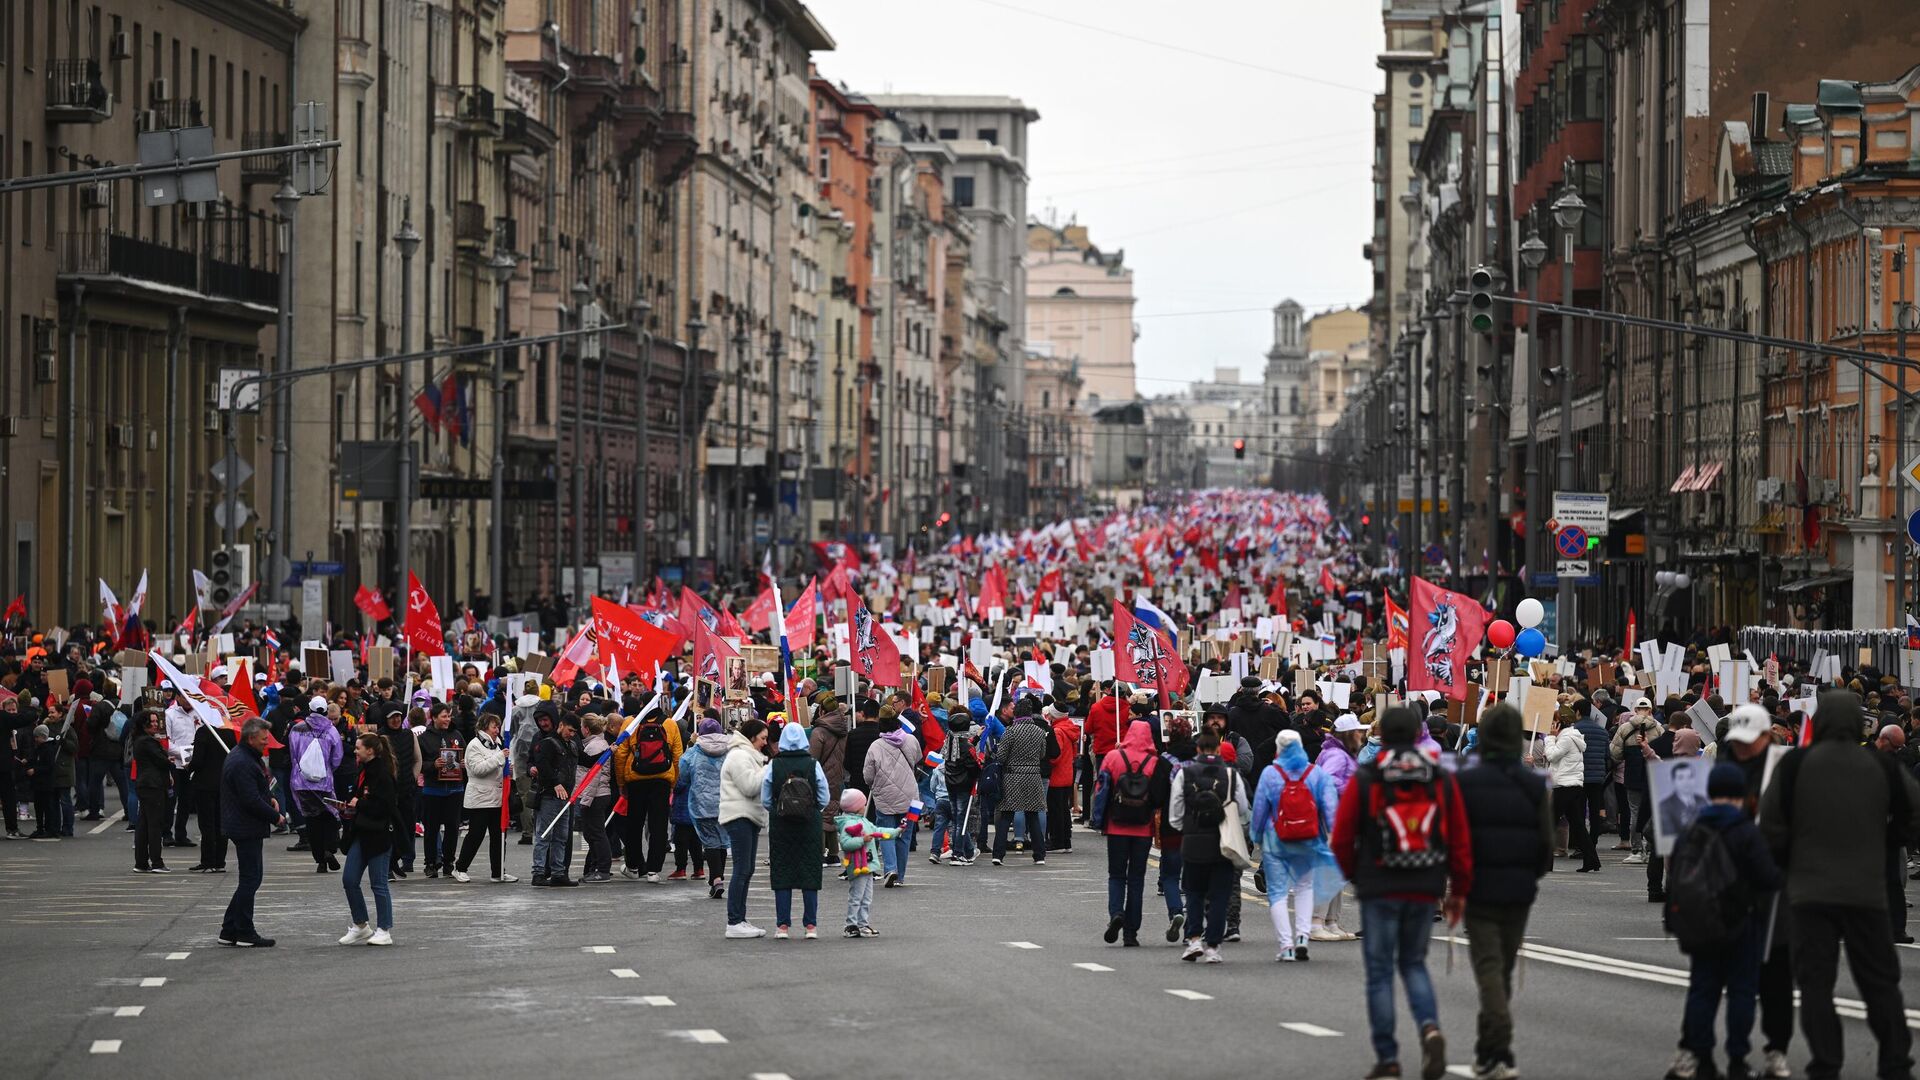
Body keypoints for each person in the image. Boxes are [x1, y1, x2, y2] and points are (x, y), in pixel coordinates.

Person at [1760, 689, 1920, 1080]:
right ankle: (1895, 1062)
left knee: (1816, 983)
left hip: (1809, 892)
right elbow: (1913, 817)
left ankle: (1826, 1062)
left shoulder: (1796, 765)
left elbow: (1770, 827)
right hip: (1868, 891)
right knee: (1880, 981)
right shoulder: (1880, 766)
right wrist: (1885, 841)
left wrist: (1792, 860)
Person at [1332, 705, 1473, 1080]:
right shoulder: (1440, 776)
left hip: (1378, 883)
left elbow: (1343, 837)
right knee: (1413, 963)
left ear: (1381, 735)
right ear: (1417, 734)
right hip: (1425, 883)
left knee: (1379, 972)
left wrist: (1356, 877)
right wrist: (1457, 890)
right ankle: (1429, 1027)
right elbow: (1459, 836)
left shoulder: (1367, 776)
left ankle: (1388, 1058)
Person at [1665, 763, 1782, 1080]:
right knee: (1742, 993)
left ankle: (1701, 1060)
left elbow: (1673, 880)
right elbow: (1768, 878)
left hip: (1700, 924)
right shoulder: (1746, 831)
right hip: (1740, 924)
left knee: (1702, 990)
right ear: (1741, 795)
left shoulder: (1690, 829)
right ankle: (1737, 1061)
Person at [1454, 703, 1552, 1080]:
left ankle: (1499, 1047)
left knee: (1489, 968)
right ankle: (1490, 1049)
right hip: (1519, 887)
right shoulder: (1533, 783)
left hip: (1478, 886)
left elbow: (1455, 837)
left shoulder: (1465, 781)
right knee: (1504, 967)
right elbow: (1545, 840)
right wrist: (1534, 873)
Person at [1251, 728, 1341, 963]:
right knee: (1304, 887)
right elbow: (1330, 806)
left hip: (1276, 839)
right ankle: (1302, 936)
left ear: (1278, 748)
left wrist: (1256, 836)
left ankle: (1286, 946)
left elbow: (1260, 808)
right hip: (1308, 837)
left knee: (1278, 893)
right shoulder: (1315, 773)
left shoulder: (1271, 773)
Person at [1169, 726, 1249, 963]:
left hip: (1193, 841)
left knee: (1194, 893)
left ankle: (1194, 939)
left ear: (1198, 749)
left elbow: (1175, 810)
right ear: (1219, 749)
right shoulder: (1231, 775)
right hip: (1222, 841)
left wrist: (1185, 828)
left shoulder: (1185, 773)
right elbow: (1243, 807)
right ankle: (1213, 946)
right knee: (1219, 895)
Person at [219, 718, 286, 947]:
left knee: (251, 879)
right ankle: (244, 931)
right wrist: (275, 816)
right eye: (263, 739)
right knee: (250, 879)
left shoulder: (247, 757)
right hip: (244, 826)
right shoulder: (242, 761)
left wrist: (272, 799)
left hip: (246, 824)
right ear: (251, 738)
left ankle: (229, 930)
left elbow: (258, 790)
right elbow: (250, 800)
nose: (266, 743)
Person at [761, 720, 830, 939]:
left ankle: (782, 926)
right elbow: (824, 796)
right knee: (810, 872)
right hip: (809, 824)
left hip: (781, 824)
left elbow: (765, 797)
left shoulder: (774, 764)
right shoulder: (812, 763)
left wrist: (776, 810)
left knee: (782, 872)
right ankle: (811, 926)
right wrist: (814, 810)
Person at [338, 732, 399, 947]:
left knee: (379, 884)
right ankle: (361, 925)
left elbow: (385, 807)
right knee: (349, 880)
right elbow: (358, 798)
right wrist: (347, 806)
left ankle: (384, 929)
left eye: (358, 748)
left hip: (379, 835)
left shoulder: (383, 774)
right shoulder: (363, 771)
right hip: (361, 833)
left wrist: (359, 804)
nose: (355, 751)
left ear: (370, 750)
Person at [615, 694, 681, 881]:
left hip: (636, 779)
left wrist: (621, 783)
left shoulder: (630, 722)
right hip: (661, 779)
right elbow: (677, 756)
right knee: (658, 825)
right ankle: (654, 870)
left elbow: (620, 755)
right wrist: (673, 783)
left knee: (634, 825)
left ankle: (634, 866)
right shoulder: (670, 724)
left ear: (642, 704)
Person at [719, 717, 771, 938]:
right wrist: (768, 770)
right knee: (742, 869)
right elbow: (749, 786)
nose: (764, 743)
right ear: (751, 737)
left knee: (746, 869)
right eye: (762, 738)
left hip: (747, 815)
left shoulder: (747, 755)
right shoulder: (739, 756)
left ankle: (739, 918)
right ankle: (734, 921)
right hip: (739, 816)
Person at [452, 714, 515, 883]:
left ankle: (498, 872)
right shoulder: (474, 745)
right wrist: (500, 757)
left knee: (499, 835)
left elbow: (497, 766)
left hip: (497, 796)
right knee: (476, 835)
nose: (497, 730)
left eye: (498, 727)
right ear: (485, 727)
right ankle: (460, 868)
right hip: (480, 797)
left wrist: (508, 767)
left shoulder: (497, 744)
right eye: (494, 727)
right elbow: (478, 769)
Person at [863, 714, 922, 885]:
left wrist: (873, 785)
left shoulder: (875, 746)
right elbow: (917, 759)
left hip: (884, 796)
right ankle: (900, 876)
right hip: (910, 796)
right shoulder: (910, 740)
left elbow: (868, 775)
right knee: (905, 835)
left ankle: (890, 869)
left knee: (887, 833)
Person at [287, 698, 343, 873]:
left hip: (301, 782)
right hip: (324, 783)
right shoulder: (331, 731)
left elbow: (293, 754)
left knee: (312, 820)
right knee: (330, 816)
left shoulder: (296, 729)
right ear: (325, 710)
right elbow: (337, 757)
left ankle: (320, 860)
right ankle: (329, 849)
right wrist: (326, 769)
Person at [834, 787, 900, 937]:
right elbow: (845, 843)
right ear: (856, 807)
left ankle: (863, 924)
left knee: (866, 897)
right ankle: (851, 925)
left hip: (868, 865)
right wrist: (861, 840)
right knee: (857, 896)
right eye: (863, 804)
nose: (865, 807)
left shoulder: (863, 821)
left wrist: (895, 832)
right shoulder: (849, 823)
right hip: (857, 865)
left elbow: (878, 831)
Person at [1544, 708, 1601, 872]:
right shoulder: (1570, 736)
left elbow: (1552, 756)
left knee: (1550, 823)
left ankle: (1546, 863)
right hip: (1572, 785)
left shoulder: (1566, 738)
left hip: (1564, 786)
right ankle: (1592, 860)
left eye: (1553, 721)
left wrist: (1550, 738)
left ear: (1559, 723)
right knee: (1577, 825)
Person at [992, 708, 1051, 868]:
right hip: (1033, 776)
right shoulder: (1040, 731)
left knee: (1006, 815)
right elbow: (1042, 754)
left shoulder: (1010, 731)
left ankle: (998, 854)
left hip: (1013, 776)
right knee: (1033, 815)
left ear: (1017, 714)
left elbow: (1002, 756)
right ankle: (1039, 855)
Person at [681, 717, 732, 896]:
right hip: (726, 802)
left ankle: (716, 879)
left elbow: (682, 777)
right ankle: (718, 878)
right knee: (722, 841)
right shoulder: (730, 751)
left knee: (710, 841)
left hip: (702, 803)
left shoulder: (693, 752)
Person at [416, 702, 467, 878]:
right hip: (433, 789)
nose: (447, 719)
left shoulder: (457, 734)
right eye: (444, 716)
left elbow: (464, 755)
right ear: (434, 717)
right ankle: (431, 863)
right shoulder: (424, 738)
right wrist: (433, 765)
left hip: (455, 789)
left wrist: (463, 764)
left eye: (449, 716)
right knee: (431, 829)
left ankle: (448, 862)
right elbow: (418, 763)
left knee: (453, 828)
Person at [530, 712, 578, 887]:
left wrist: (608, 751)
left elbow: (586, 760)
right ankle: (538, 872)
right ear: (562, 725)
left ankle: (558, 872)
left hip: (565, 797)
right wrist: (556, 783)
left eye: (574, 732)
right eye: (570, 730)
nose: (571, 734)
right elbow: (542, 765)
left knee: (561, 836)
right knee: (544, 835)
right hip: (550, 796)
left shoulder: (571, 745)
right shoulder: (548, 744)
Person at [184, 718, 231, 873]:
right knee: (220, 823)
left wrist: (188, 768)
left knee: (206, 824)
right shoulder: (228, 732)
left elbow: (197, 760)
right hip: (223, 783)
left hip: (204, 784)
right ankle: (219, 861)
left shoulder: (203, 732)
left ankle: (208, 860)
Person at [380, 701, 420, 877]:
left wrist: (413, 776)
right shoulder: (380, 737)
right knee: (389, 830)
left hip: (407, 789)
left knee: (407, 829)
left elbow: (417, 759)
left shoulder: (409, 735)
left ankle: (395, 859)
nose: (396, 720)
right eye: (392, 717)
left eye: (398, 716)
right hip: (388, 792)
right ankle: (387, 865)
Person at [129, 710, 172, 873]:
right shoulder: (147, 742)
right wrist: (170, 762)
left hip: (145, 784)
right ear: (143, 723)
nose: (155, 724)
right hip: (152, 785)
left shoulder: (141, 740)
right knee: (154, 824)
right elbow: (162, 761)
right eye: (151, 721)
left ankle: (141, 862)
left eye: (156, 721)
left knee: (144, 824)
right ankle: (157, 862)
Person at [574, 714, 615, 882]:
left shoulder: (594, 746)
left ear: (586, 729)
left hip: (595, 795)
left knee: (596, 833)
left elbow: (593, 777)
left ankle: (603, 869)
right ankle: (595, 867)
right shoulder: (598, 744)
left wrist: (585, 799)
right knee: (592, 833)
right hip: (598, 794)